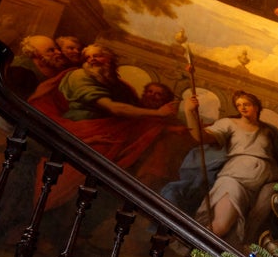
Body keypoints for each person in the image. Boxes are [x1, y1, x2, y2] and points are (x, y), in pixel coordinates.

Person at [28, 44, 185, 207]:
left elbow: (136, 120)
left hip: (111, 133)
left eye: (97, 55)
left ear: (110, 59)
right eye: (88, 58)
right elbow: (115, 109)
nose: (92, 60)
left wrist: (166, 127)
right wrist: (158, 114)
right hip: (83, 129)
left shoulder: (120, 85)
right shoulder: (80, 76)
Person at [183, 89, 278, 243]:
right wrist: (189, 112)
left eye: (246, 104)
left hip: (264, 183)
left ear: (256, 107)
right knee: (220, 226)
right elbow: (200, 137)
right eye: (239, 105)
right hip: (235, 179)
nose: (242, 108)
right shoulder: (229, 123)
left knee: (248, 231)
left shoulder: (268, 131)